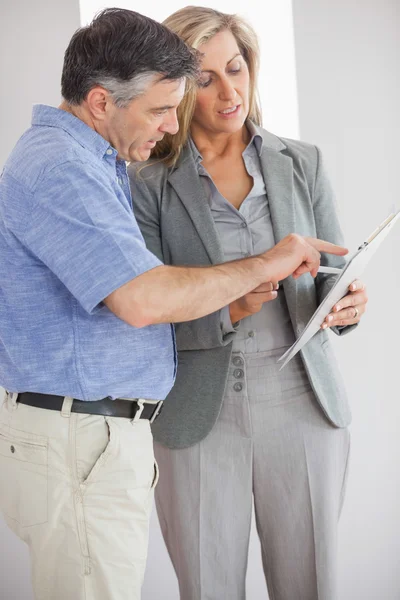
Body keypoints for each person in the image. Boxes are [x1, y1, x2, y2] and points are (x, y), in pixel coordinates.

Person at [0, 8, 348, 600]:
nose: (170, 121)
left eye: (233, 70)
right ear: (102, 102)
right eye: (163, 108)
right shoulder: (71, 168)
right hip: (94, 434)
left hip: (106, 434)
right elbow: (143, 298)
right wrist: (259, 270)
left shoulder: (97, 161)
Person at [128, 6, 368, 600]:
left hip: (304, 408)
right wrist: (227, 308)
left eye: (236, 68)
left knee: (310, 586)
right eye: (204, 79)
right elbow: (143, 312)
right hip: (199, 417)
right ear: (178, 87)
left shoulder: (302, 162)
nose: (227, 91)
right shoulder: (147, 184)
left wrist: (349, 305)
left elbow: (333, 271)